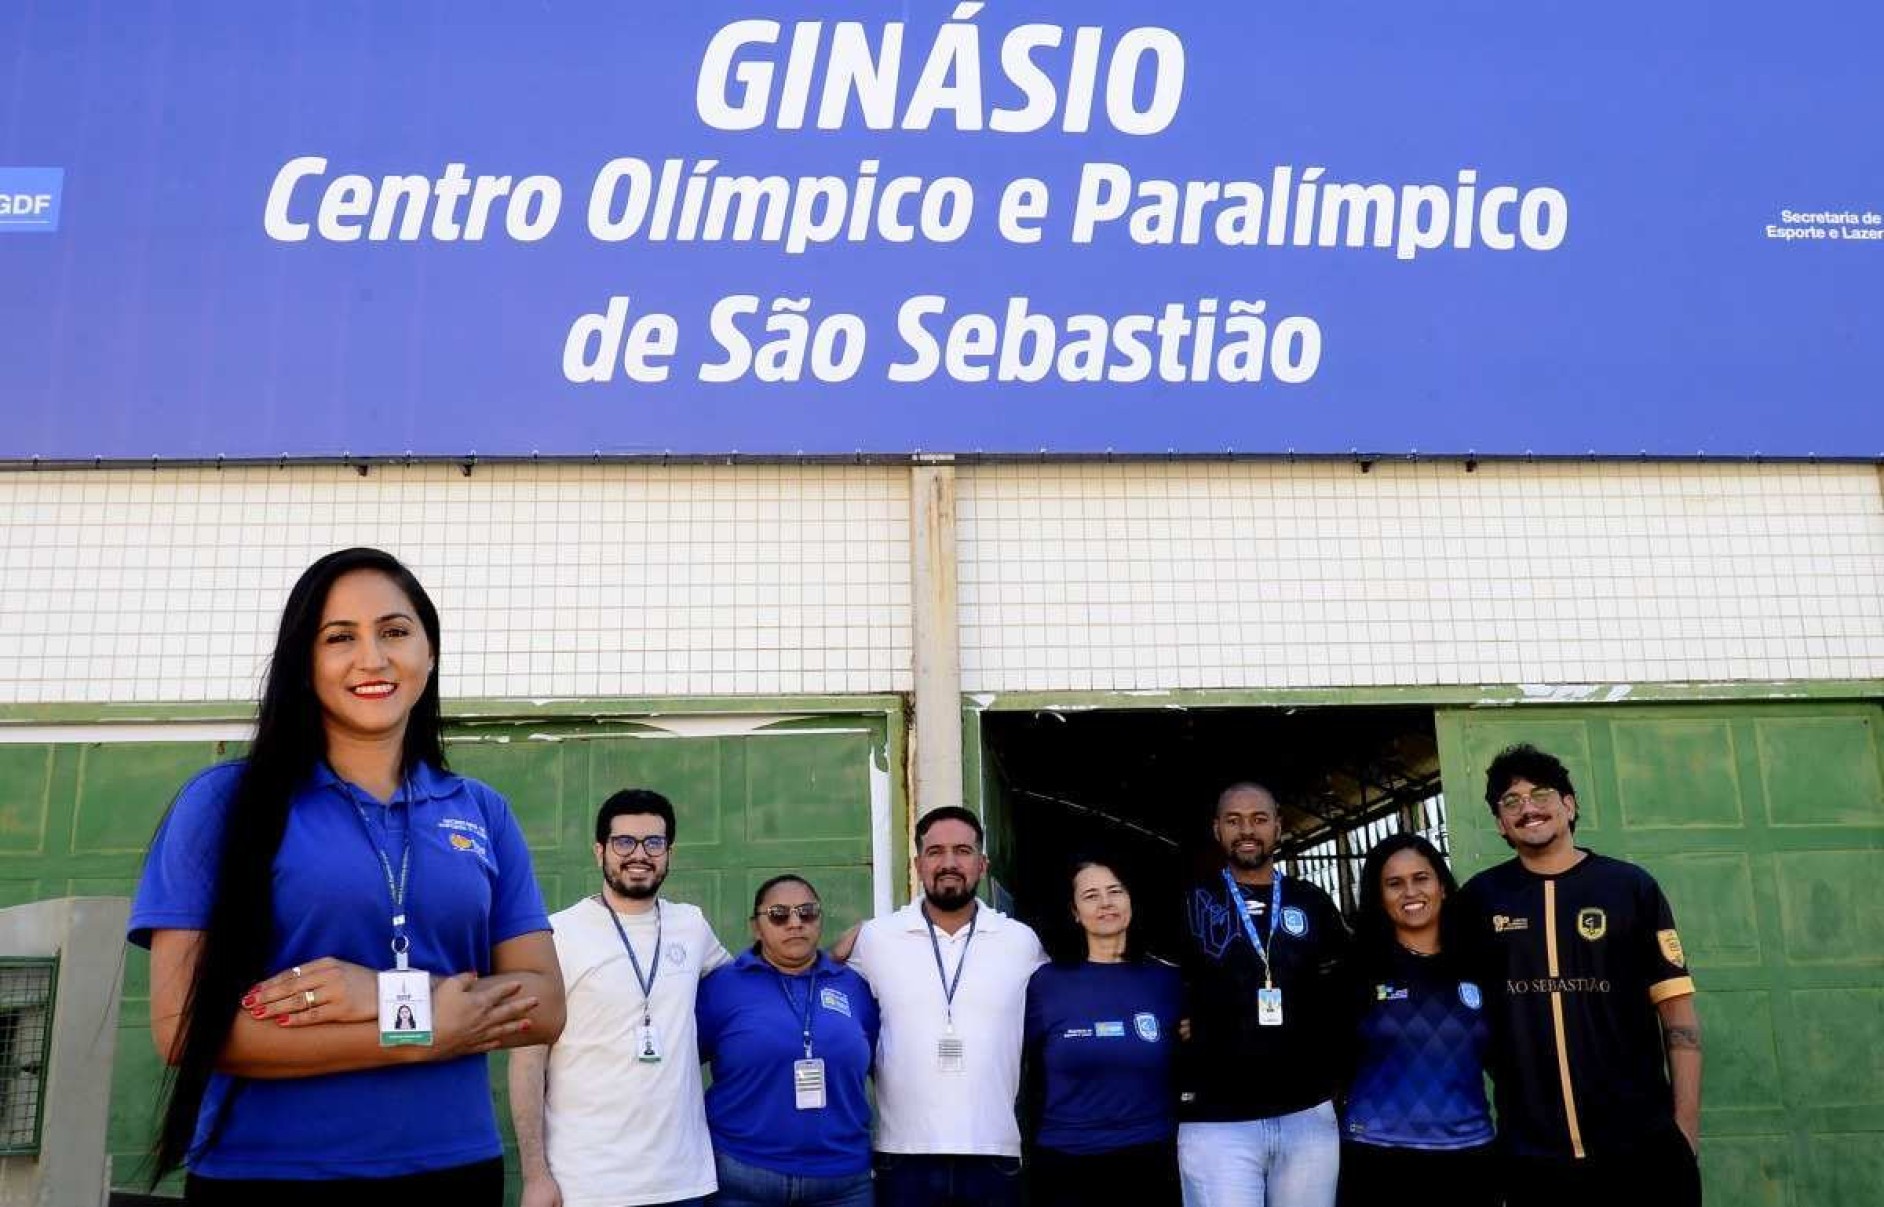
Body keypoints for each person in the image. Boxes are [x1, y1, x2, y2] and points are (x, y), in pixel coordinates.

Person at [128, 547, 564, 1204]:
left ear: (430, 652)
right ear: (305, 664)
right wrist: (414, 1026)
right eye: (340, 638)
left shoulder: (481, 810)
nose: (373, 658)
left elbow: (545, 1003)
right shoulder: (224, 803)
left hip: (453, 1169)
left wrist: (385, 991)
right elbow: (184, 1027)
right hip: (269, 1175)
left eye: (395, 630)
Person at [1457, 744, 1702, 1207]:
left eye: (1542, 794)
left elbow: (1678, 1014)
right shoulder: (1481, 900)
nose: (1528, 808)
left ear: (1569, 806)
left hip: (1639, 1148)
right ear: (1499, 824)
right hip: (1533, 1157)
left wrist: (1684, 1129)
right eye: (1511, 801)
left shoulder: (1630, 887)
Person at [510, 788, 733, 1207]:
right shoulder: (559, 934)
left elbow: (752, 991)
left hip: (682, 1180)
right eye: (624, 842)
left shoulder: (692, 925)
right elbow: (527, 1060)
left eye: (654, 843)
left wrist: (825, 961)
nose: (640, 854)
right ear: (600, 851)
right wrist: (536, 1175)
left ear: (669, 852)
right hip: (587, 1182)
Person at [844, 805, 1047, 1207]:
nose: (949, 863)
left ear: (983, 864)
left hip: (994, 1152)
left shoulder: (1020, 941)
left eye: (963, 851)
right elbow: (817, 975)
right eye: (935, 852)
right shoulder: (876, 938)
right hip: (902, 1155)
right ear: (918, 864)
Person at [1177, 782, 1351, 1207]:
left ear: (1279, 826)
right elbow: (1155, 980)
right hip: (1218, 1120)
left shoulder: (1311, 901)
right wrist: (1177, 1022)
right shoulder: (1186, 902)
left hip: (1306, 1115)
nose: (1247, 830)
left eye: (1258, 819)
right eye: (1234, 821)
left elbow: (1345, 988)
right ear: (1217, 829)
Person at [695, 875, 880, 1207]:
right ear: (756, 927)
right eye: (779, 914)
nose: (795, 923)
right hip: (743, 1176)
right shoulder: (722, 988)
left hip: (842, 1183)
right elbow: (678, 1071)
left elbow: (888, 1067)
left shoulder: (856, 987)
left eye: (807, 913)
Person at [1336, 834, 1496, 1207]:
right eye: (1394, 883)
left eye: (1421, 878)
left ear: (1441, 885)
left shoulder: (1481, 963)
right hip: (1376, 1157)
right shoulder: (1357, 972)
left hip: (1469, 1156)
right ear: (1379, 896)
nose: (1410, 892)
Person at [1022, 856, 1183, 1207]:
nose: (1106, 902)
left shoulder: (1168, 981)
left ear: (1131, 901)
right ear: (1075, 912)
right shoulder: (1045, 984)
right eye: (1091, 895)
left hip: (1152, 1158)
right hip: (1067, 1161)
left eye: (1115, 891)